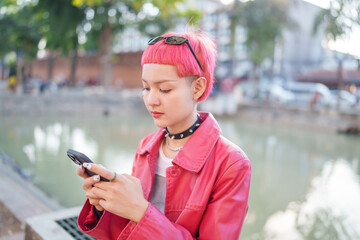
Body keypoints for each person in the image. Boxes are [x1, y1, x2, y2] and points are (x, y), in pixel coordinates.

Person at [77, 30, 251, 240]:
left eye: (165, 90)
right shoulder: (146, 147)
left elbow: (139, 215)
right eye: (145, 87)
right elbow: (130, 229)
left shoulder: (231, 163)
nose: (151, 100)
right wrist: (105, 204)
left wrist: (141, 211)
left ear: (197, 88)